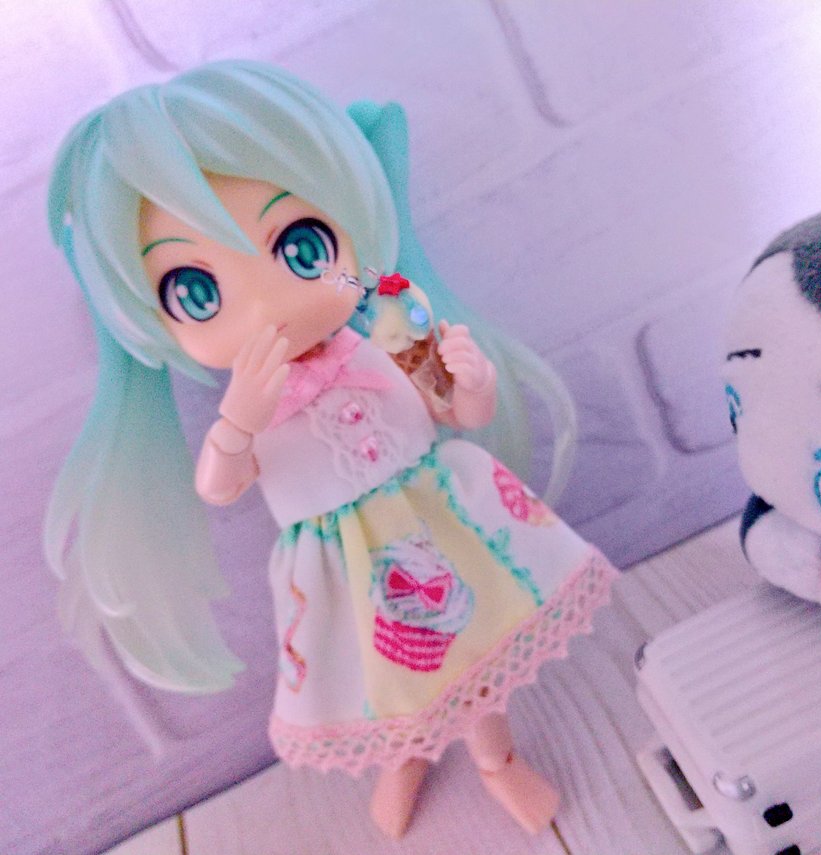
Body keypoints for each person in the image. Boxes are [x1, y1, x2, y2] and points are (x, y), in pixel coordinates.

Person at [45, 60, 616, 837]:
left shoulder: (386, 334)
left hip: (444, 521)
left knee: (475, 665)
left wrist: (474, 381)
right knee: (378, 684)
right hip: (342, 567)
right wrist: (237, 422)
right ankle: (406, 759)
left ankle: (496, 760)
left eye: (302, 246)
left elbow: (456, 412)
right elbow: (218, 485)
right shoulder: (252, 401)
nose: (269, 305)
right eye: (198, 293)